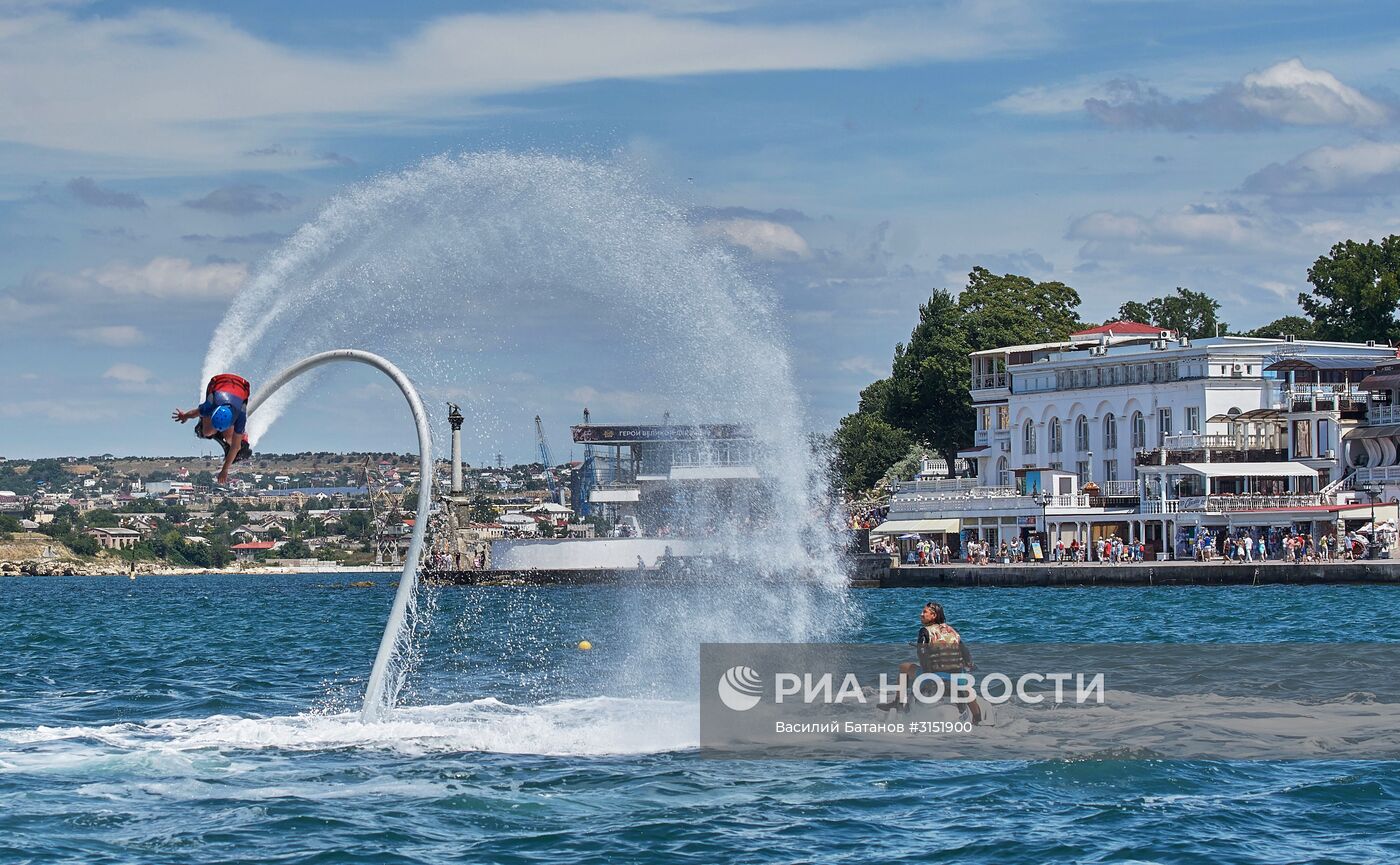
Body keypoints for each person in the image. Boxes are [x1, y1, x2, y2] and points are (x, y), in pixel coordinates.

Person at [878, 602, 983, 724]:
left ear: (933, 615)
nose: (921, 614)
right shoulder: (952, 631)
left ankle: (899, 703)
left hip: (933, 674)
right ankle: (977, 718)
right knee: (967, 688)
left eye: (924, 612)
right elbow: (965, 652)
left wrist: (927, 673)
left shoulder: (925, 631)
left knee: (903, 667)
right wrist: (970, 664)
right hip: (956, 675)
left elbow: (921, 651)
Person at [172, 373, 252, 485]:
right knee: (206, 432)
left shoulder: (240, 416)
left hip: (242, 387)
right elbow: (195, 413)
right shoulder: (211, 404)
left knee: (233, 441)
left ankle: (234, 435)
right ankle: (206, 423)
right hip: (217, 383)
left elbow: (235, 447)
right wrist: (184, 416)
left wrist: (225, 469)